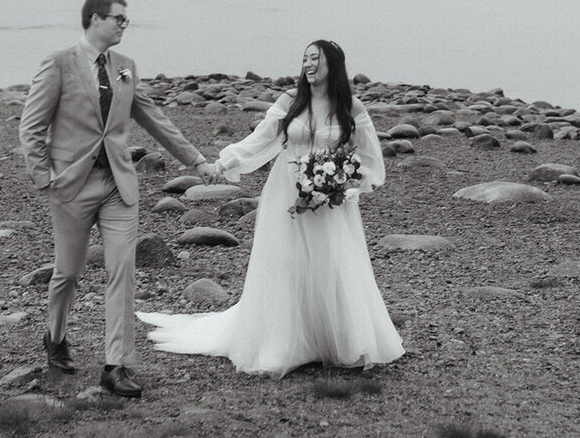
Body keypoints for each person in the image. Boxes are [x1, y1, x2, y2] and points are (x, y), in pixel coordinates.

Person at [137, 40, 404, 377]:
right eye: (304, 59)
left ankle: (333, 340)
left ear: (332, 65)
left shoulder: (351, 106)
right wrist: (223, 162)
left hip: (331, 200)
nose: (308, 65)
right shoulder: (291, 102)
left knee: (331, 261)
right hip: (286, 192)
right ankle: (285, 342)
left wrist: (346, 183)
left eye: (315, 59)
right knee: (287, 262)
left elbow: (369, 158)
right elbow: (261, 139)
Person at [19, 0, 218, 398]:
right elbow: (32, 126)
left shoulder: (125, 68)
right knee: (68, 273)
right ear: (95, 19)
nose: (125, 25)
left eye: (126, 20)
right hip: (71, 187)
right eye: (119, 19)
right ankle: (55, 336)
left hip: (118, 185)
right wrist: (45, 178)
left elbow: (154, 119)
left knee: (121, 272)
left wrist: (196, 160)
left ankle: (117, 365)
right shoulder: (58, 63)